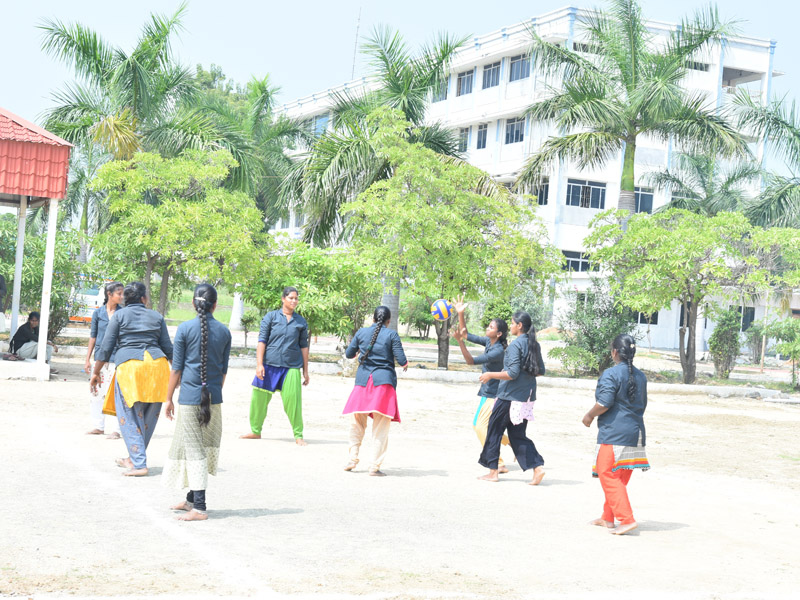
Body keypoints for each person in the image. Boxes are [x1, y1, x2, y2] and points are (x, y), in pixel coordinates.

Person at [163, 283, 232, 521]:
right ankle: (191, 499)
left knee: (194, 450)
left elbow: (176, 369)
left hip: (190, 398)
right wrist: (213, 392)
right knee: (198, 446)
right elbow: (223, 371)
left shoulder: (185, 329)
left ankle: (199, 507)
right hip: (213, 398)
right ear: (215, 305)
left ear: (193, 303)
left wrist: (168, 399)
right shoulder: (224, 332)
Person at [91, 282, 173, 477]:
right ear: (144, 298)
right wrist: (179, 374)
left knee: (128, 416)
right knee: (148, 418)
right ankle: (133, 458)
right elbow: (168, 348)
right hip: (158, 368)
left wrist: (96, 372)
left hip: (131, 368)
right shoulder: (157, 316)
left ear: (125, 299)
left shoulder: (119, 316)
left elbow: (106, 347)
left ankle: (139, 464)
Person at [582, 334, 649, 536]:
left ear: (614, 352)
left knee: (607, 473)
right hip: (636, 433)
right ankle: (607, 517)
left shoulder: (611, 374)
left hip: (615, 434)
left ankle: (626, 519)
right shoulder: (641, 376)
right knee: (619, 477)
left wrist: (589, 415)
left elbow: (604, 402)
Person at [477, 310, 546, 485]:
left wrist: (491, 375)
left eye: (513, 323)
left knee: (493, 431)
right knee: (517, 435)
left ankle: (493, 472)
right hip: (525, 397)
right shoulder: (534, 344)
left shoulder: (515, 346)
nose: (511, 326)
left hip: (508, 397)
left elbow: (512, 373)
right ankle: (537, 468)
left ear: (519, 325)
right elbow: (540, 371)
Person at [342, 306, 408, 476]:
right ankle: (374, 466)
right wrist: (405, 364)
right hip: (383, 384)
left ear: (373, 318)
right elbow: (402, 360)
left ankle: (352, 459)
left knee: (356, 424)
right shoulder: (392, 335)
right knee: (380, 428)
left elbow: (349, 354)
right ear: (388, 321)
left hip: (362, 382)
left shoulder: (362, 332)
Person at [241, 287, 310, 445]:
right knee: (258, 399)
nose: (294, 301)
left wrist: (305, 371)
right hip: (269, 365)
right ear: (283, 299)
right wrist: (259, 364)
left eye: (296, 298)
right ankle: (255, 431)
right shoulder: (271, 317)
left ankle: (298, 435)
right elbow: (262, 341)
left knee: (293, 401)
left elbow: (304, 347)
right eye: (291, 298)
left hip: (291, 366)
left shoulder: (300, 322)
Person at [450, 298, 511, 473]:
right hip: (490, 392)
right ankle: (513, 442)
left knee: (479, 426)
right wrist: (460, 313)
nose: (487, 328)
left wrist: (459, 342)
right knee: (490, 427)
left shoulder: (497, 351)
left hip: (493, 394)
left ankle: (498, 462)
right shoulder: (489, 342)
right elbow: (466, 334)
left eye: (491, 327)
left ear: (499, 334)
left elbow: (470, 361)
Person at [84, 282, 124, 438]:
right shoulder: (98, 313)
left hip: (116, 358)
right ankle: (98, 426)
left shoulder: (122, 313)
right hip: (100, 359)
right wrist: (87, 359)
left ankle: (117, 429)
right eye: (119, 293)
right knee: (96, 392)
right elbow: (93, 337)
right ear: (109, 294)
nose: (121, 296)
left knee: (115, 394)